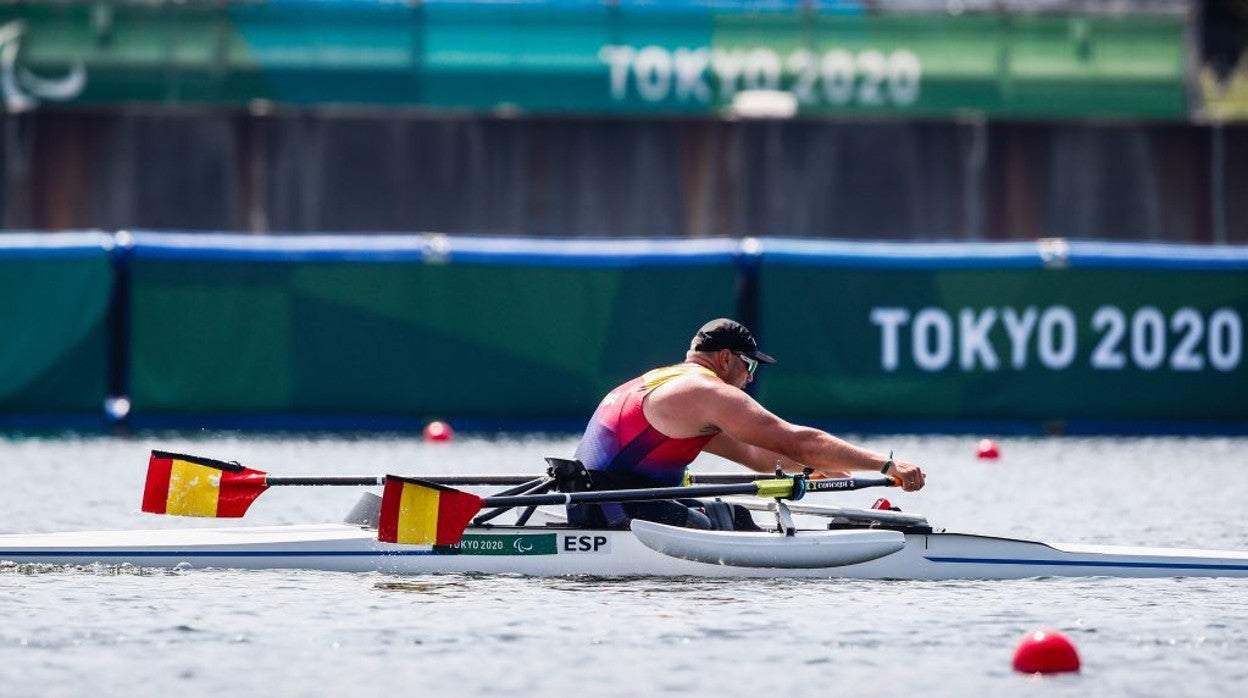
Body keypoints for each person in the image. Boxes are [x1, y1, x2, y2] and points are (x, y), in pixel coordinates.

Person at [567, 318, 926, 530]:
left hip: (599, 504)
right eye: (749, 366)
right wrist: (887, 465)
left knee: (733, 516)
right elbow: (796, 441)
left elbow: (756, 453)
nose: (750, 379)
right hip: (614, 511)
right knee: (708, 530)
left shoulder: (666, 382)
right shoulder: (707, 391)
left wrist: (815, 469)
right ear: (725, 359)